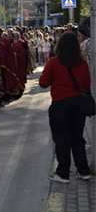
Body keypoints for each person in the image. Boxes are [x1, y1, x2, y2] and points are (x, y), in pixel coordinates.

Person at [39, 31, 91, 183]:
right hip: (78, 104)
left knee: (62, 139)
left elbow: (43, 83)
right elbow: (86, 85)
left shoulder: (54, 63)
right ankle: (83, 171)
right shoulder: (82, 63)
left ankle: (63, 173)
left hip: (60, 104)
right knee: (77, 138)